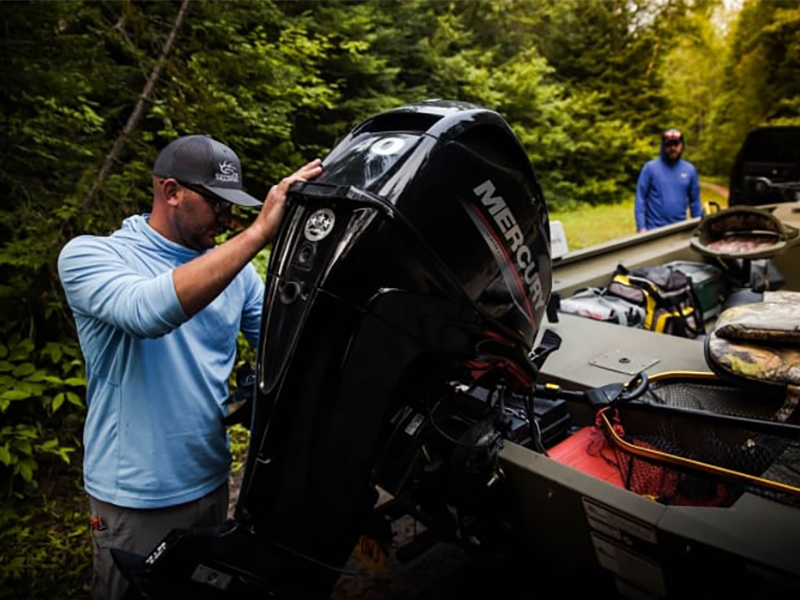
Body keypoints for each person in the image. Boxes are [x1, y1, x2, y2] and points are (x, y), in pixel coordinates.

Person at [57, 134, 322, 600]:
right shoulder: (93, 256)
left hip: (212, 481)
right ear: (171, 191)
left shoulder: (236, 271)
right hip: (135, 496)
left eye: (235, 208)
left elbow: (286, 346)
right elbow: (145, 312)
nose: (228, 218)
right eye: (218, 204)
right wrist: (259, 232)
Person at [635, 128, 702, 233]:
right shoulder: (650, 168)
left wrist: (699, 227)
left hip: (680, 229)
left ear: (682, 146)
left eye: (676, 144)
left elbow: (695, 202)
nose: (673, 148)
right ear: (663, 146)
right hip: (653, 230)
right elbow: (640, 199)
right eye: (669, 145)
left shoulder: (690, 170)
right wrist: (641, 227)